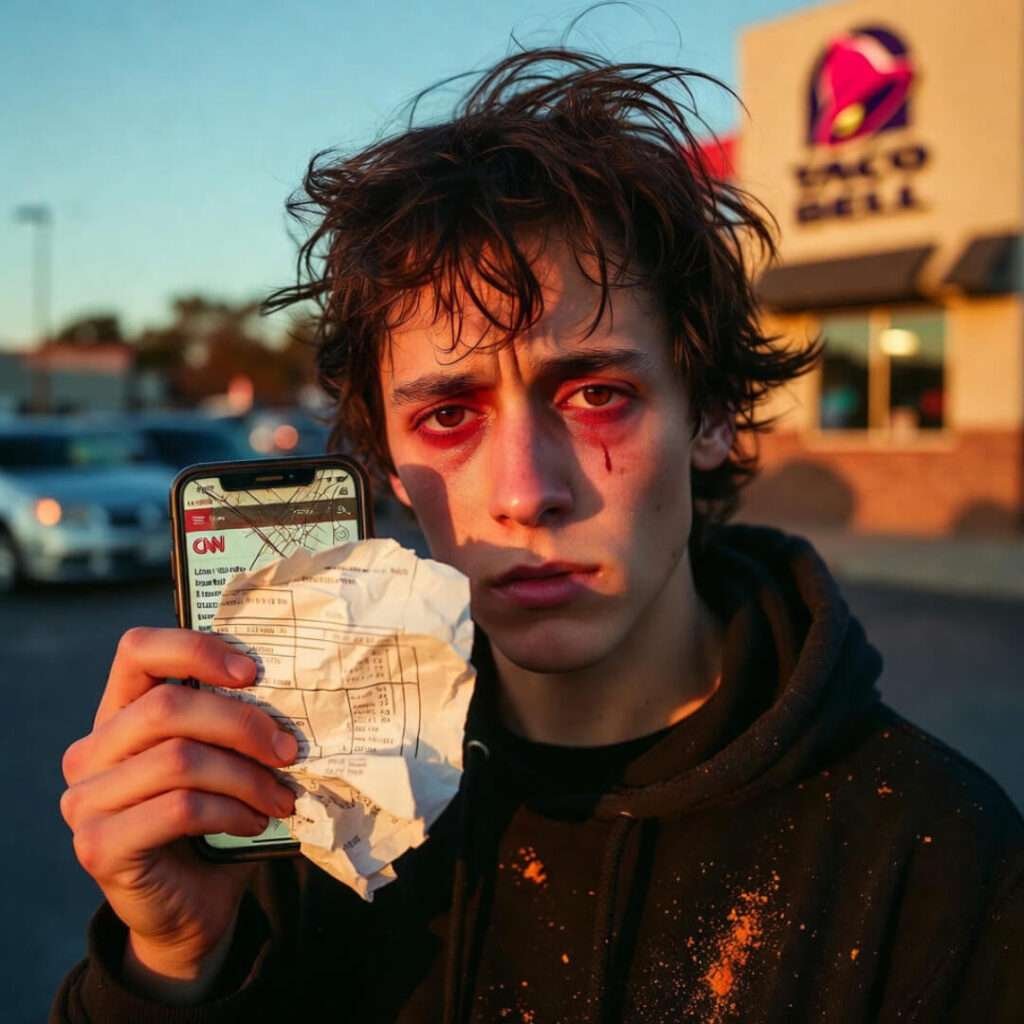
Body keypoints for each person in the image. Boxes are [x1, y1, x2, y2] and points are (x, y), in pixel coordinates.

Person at [53, 48, 1022, 1023]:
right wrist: (168, 964)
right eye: (447, 416)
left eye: (597, 394)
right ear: (388, 465)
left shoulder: (934, 856)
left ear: (711, 413)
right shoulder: (311, 812)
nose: (524, 491)